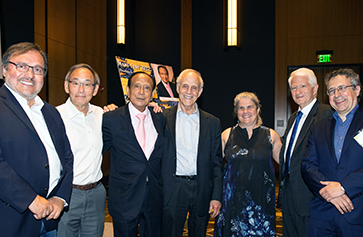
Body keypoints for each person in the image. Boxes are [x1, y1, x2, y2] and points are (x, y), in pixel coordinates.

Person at [0, 42, 73, 237]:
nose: (30, 74)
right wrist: (30, 199)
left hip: (50, 219)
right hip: (12, 219)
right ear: (4, 69)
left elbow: (67, 158)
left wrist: (60, 198)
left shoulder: (51, 112)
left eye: (38, 69)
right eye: (22, 66)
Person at [102, 72, 166, 237]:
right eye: (137, 86)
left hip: (154, 198)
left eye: (147, 88)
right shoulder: (111, 119)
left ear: (152, 94)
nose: (141, 92)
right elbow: (95, 151)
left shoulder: (160, 118)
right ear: (128, 90)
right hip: (125, 199)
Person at [301, 68, 363, 236]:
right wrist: (328, 193)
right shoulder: (318, 127)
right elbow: (307, 165)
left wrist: (343, 187)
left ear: (357, 90)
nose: (337, 94)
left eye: (342, 88)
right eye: (331, 90)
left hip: (357, 213)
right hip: (322, 213)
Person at [162, 69, 223, 237]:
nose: (189, 92)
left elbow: (217, 164)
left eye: (194, 88)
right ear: (177, 88)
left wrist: (216, 196)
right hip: (173, 188)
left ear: (200, 91)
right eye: (185, 86)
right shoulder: (162, 118)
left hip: (202, 188)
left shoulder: (213, 123)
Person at [214, 92, 282, 236]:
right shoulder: (227, 135)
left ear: (257, 110)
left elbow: (287, 165)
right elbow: (214, 167)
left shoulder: (270, 135)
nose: (245, 112)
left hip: (261, 203)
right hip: (232, 203)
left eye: (250, 107)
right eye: (241, 108)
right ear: (236, 112)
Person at [277, 68, 333, 237]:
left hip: (310, 197)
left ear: (315, 88)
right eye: (294, 88)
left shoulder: (326, 113)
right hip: (289, 196)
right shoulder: (294, 117)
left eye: (303, 86)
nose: (298, 91)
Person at [56, 63, 106, 237]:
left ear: (95, 89)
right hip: (67, 194)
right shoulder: (55, 117)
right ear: (66, 85)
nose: (81, 89)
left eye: (87, 84)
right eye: (76, 83)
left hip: (96, 193)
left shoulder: (101, 114)